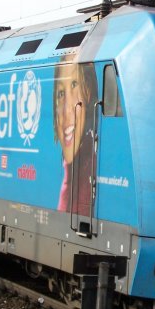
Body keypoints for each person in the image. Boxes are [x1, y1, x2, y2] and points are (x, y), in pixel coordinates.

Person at [53, 57, 98, 214]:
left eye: (74, 85)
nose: (66, 111)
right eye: (60, 94)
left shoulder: (89, 174)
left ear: (88, 91)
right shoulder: (71, 179)